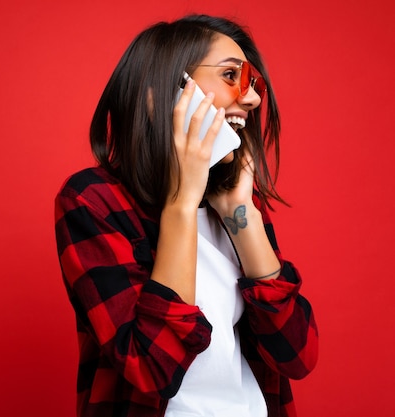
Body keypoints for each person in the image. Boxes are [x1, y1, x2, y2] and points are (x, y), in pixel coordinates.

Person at [54, 14, 318, 417]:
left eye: (254, 84)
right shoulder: (94, 200)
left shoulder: (237, 206)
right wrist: (181, 201)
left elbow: (296, 356)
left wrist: (238, 213)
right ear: (161, 94)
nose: (252, 99)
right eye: (232, 75)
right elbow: (150, 368)